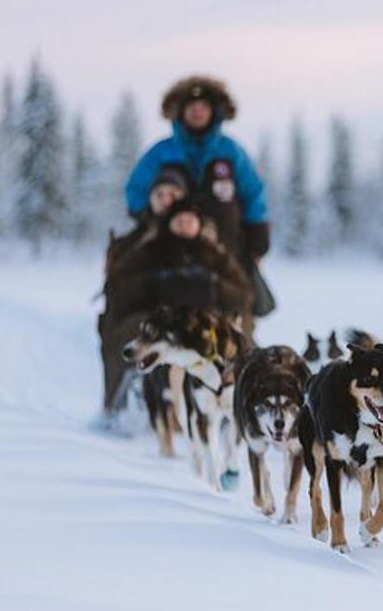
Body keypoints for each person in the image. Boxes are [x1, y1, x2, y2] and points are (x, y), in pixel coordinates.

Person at [98, 197, 253, 417]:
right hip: (158, 317)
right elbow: (116, 287)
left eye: (190, 221)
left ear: (199, 224)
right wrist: (152, 283)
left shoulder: (214, 253)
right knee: (132, 335)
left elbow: (244, 293)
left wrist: (215, 286)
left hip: (205, 321)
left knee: (237, 342)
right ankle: (123, 404)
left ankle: (236, 398)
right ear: (169, 223)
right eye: (179, 220)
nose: (184, 225)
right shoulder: (150, 251)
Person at [124, 76, 270, 265]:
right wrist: (149, 215)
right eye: (192, 107)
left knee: (255, 293)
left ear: (214, 112)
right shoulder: (161, 152)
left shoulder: (231, 152)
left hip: (226, 249)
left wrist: (257, 232)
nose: (197, 112)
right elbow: (136, 190)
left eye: (203, 107)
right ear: (181, 112)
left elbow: (252, 192)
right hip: (169, 249)